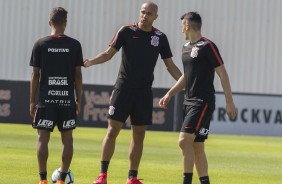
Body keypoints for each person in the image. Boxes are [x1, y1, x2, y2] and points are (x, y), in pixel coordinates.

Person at [84, 1, 182, 184]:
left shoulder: (160, 37)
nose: (145, 15)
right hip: (123, 89)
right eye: (143, 12)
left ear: (155, 17)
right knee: (112, 131)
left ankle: (132, 177)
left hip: (144, 93)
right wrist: (90, 62)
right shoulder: (126, 31)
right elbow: (108, 54)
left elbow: (170, 65)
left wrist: (185, 81)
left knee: (139, 135)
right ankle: (102, 175)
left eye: (149, 13)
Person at [159, 12, 237, 184]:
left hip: (202, 102)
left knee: (183, 140)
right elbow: (186, 77)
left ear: (187, 25)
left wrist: (229, 102)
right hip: (188, 101)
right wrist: (170, 93)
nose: (180, 30)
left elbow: (222, 73)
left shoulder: (208, 46)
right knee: (197, 146)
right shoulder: (185, 47)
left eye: (182, 26)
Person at [29, 7, 83, 184]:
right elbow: (77, 75)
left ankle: (43, 180)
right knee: (67, 140)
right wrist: (78, 99)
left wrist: (32, 101)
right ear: (65, 23)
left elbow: (35, 75)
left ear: (49, 22)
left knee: (42, 138)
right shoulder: (74, 45)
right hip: (66, 100)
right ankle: (61, 179)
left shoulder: (40, 44)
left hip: (46, 100)